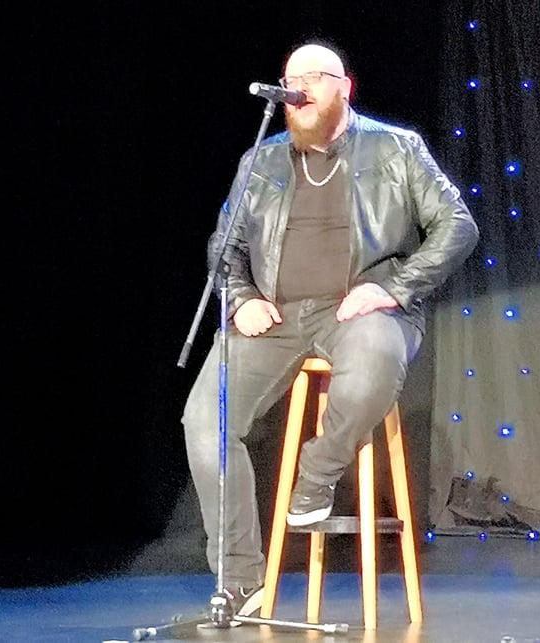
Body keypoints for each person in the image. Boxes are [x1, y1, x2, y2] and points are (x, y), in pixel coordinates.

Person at [182, 41, 479, 614]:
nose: (299, 89)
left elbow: (457, 225)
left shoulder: (396, 148)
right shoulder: (260, 161)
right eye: (291, 79)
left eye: (314, 77)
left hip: (360, 310)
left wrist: (394, 287)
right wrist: (240, 296)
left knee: (370, 368)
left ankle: (316, 475)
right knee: (206, 418)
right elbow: (227, 244)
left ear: (347, 86)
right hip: (274, 314)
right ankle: (242, 580)